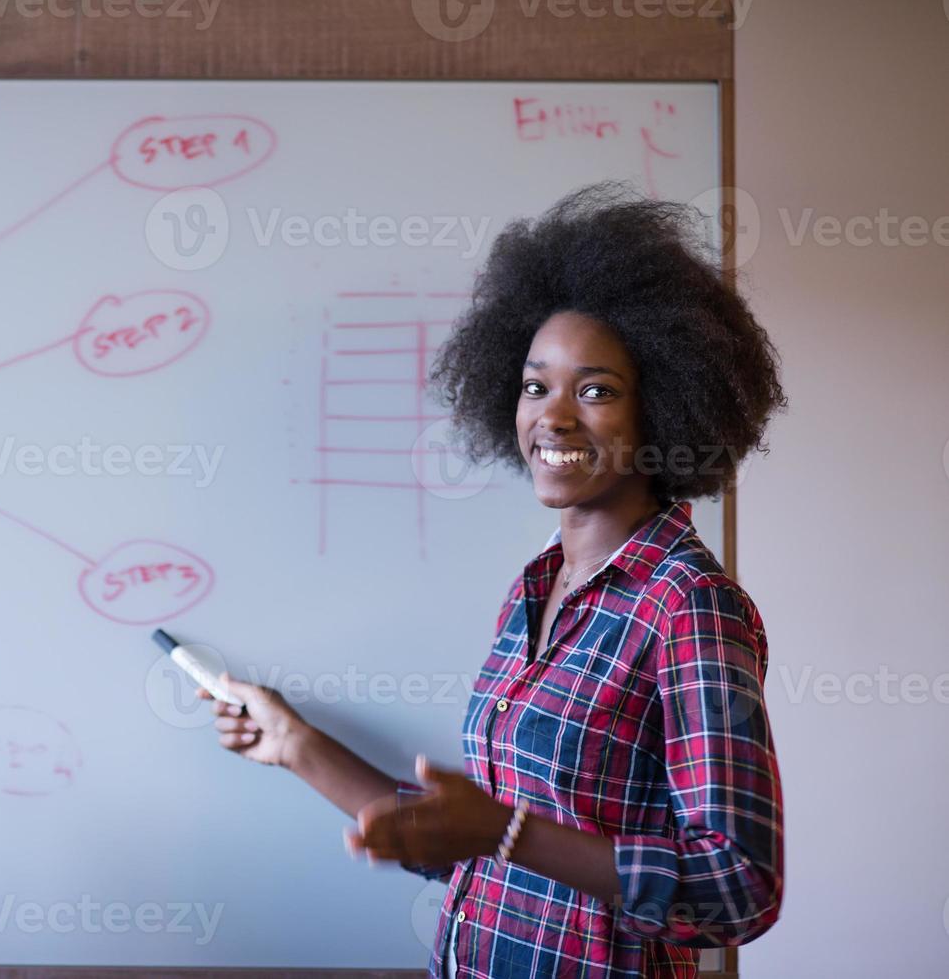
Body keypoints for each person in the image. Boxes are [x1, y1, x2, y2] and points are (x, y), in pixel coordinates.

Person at [200, 183, 788, 978]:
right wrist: (293, 744)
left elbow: (739, 890)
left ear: (668, 407)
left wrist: (504, 832)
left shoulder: (689, 606)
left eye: (597, 390)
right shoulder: (535, 589)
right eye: (536, 385)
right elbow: (478, 847)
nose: (553, 416)